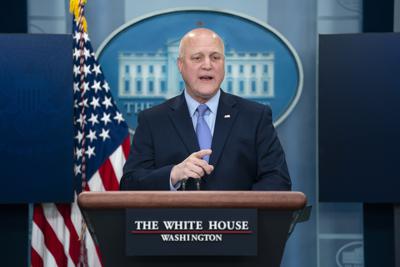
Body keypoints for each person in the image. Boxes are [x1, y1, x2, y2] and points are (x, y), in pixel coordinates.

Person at [120, 28, 291, 191]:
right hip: (173, 221)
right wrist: (173, 174)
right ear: (180, 65)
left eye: (215, 57)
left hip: (239, 221)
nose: (207, 65)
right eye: (197, 58)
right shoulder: (153, 120)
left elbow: (278, 180)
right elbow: (130, 183)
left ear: (224, 64)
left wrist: (239, 212)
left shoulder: (255, 117)